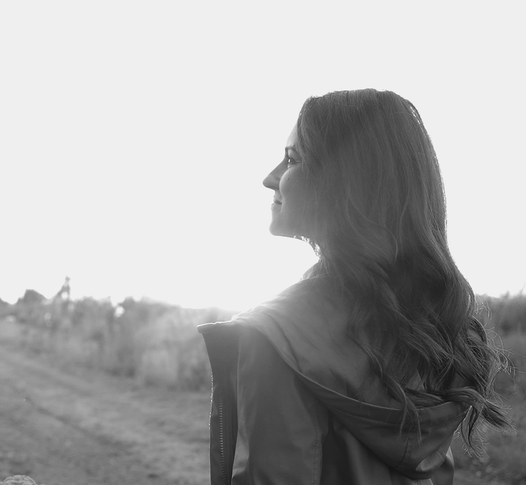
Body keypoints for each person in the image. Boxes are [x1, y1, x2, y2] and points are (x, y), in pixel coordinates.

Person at [199, 89, 509, 484]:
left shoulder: (278, 336)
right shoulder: (432, 323)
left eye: (292, 159)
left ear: (343, 181)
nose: (269, 178)